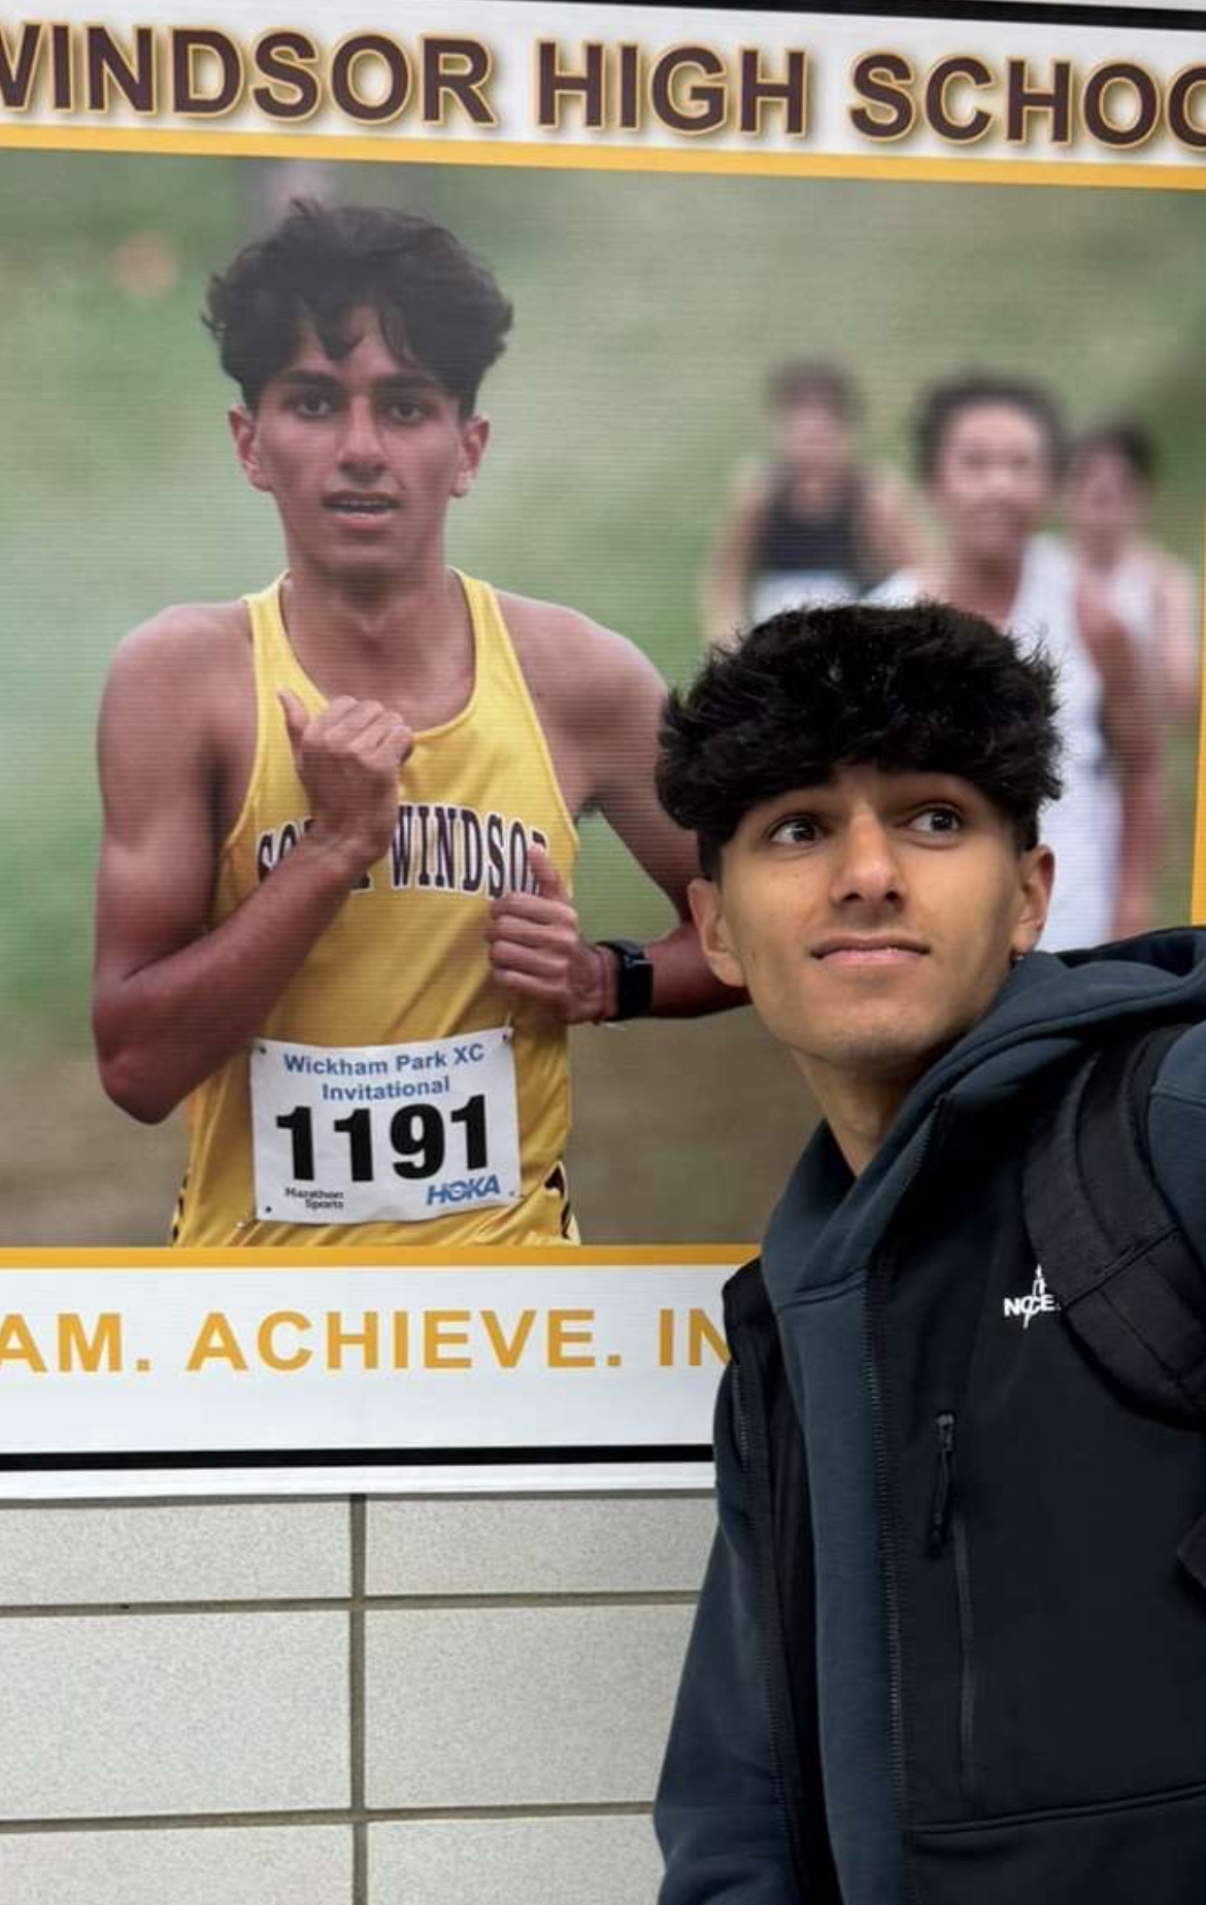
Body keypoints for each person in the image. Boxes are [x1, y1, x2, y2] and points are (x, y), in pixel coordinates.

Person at [621, 600, 1206, 1905]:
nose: (867, 871)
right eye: (799, 826)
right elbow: (743, 1790)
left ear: (1026, 893)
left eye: (933, 820)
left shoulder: (1166, 1125)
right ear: (717, 929)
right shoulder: (792, 1321)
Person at [92, 199, 734, 1248]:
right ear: (251, 444)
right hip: (257, 1329)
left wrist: (605, 979)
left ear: (466, 447)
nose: (359, 449)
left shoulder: (578, 676)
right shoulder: (182, 680)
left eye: (404, 406)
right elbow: (136, 1069)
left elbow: (762, 935)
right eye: (312, 402)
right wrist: (333, 848)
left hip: (510, 1323)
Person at [870, 374, 1162, 948]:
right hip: (931, 927)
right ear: (933, 480)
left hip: (1071, 918)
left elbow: (1144, 768)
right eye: (974, 463)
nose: (998, 487)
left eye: (1020, 464)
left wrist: (1130, 905)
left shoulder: (1092, 618)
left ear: (1051, 485)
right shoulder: (884, 622)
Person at [699, 362, 921, 645]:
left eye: (821, 438)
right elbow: (723, 580)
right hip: (776, 654)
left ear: (845, 432)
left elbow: (917, 580)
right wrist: (726, 643)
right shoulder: (760, 496)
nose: (812, 451)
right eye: (802, 437)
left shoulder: (874, 499)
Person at [1063, 418, 1200, 727]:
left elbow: (1184, 698)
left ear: (1143, 495)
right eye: (1086, 477)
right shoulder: (1037, 565)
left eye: (1119, 485)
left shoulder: (1165, 583)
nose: (1101, 491)